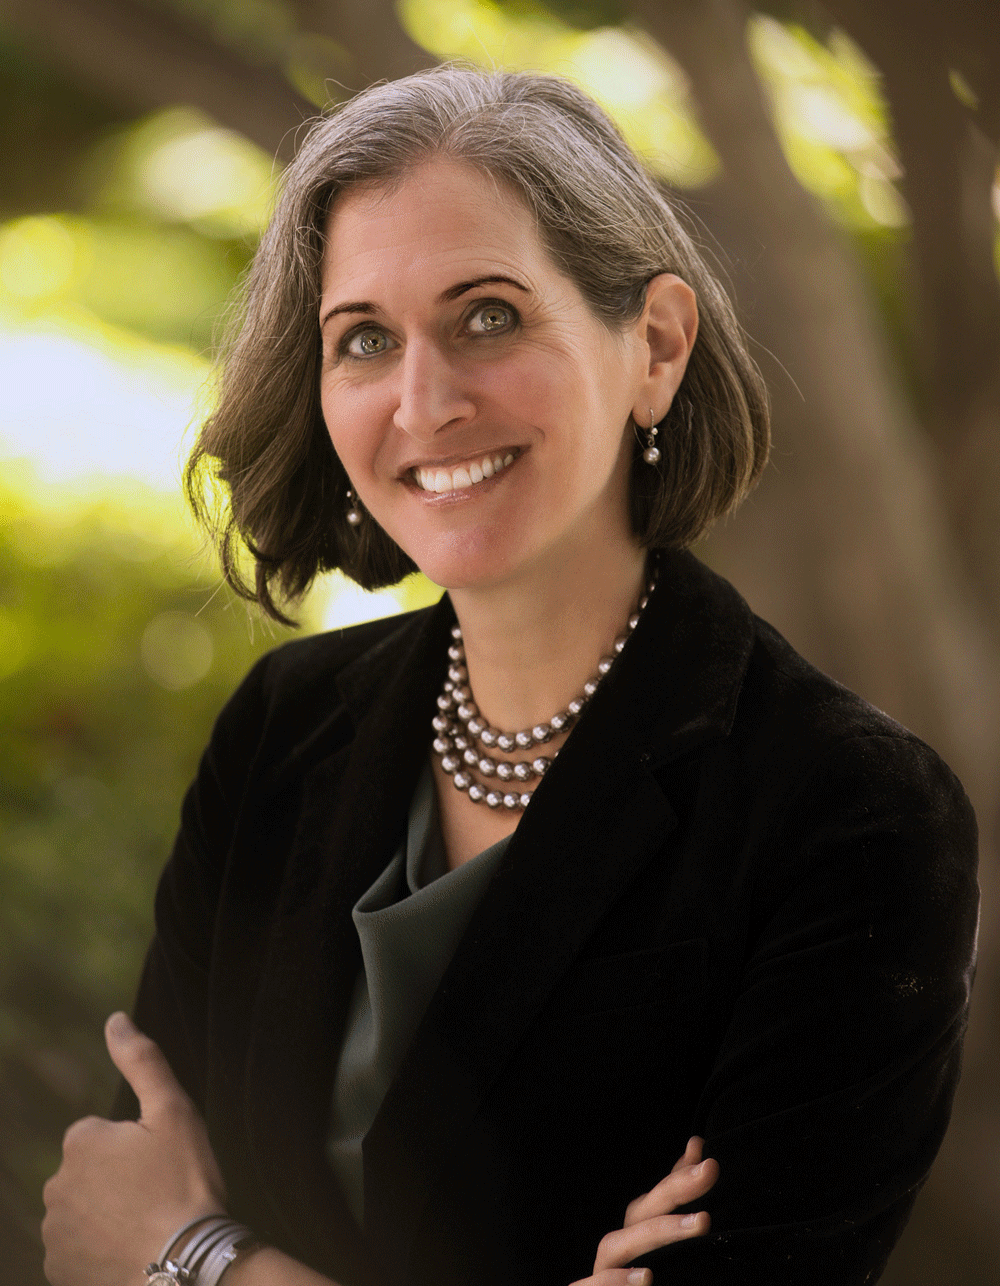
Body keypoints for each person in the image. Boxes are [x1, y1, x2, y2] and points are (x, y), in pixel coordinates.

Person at [41, 66, 978, 1286]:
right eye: (364, 339)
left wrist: (204, 1259)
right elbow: (104, 1205)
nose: (423, 401)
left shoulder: (849, 813)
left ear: (654, 346)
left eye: (488, 315)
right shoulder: (283, 727)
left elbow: (140, 1239)